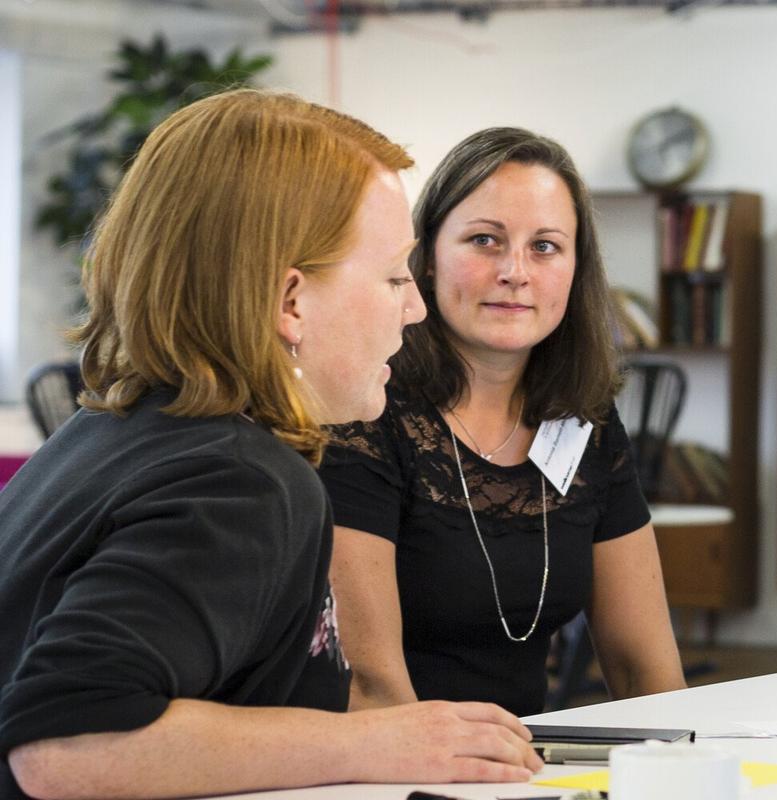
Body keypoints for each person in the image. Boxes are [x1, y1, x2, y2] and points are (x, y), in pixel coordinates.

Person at [0, 90, 544, 800]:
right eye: (391, 277)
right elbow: (67, 746)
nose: (414, 308)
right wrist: (375, 740)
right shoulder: (239, 480)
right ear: (291, 302)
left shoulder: (115, 429)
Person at [320, 127, 683, 717]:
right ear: (427, 259)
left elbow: (646, 671)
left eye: (545, 247)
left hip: (531, 767)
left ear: (575, 269)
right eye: (485, 240)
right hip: (392, 771)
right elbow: (371, 690)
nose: (516, 271)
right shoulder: (366, 410)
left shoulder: (585, 417)